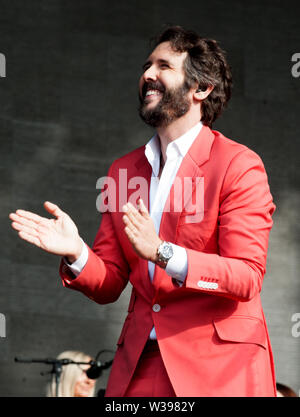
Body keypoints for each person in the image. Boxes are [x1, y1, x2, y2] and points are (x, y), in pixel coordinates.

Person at [9, 26, 276, 397]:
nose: (148, 74)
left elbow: (246, 276)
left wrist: (163, 253)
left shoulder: (238, 164)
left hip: (217, 368)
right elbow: (110, 283)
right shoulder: (124, 170)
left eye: (164, 66)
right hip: (140, 366)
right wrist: (77, 252)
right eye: (147, 65)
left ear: (201, 89)